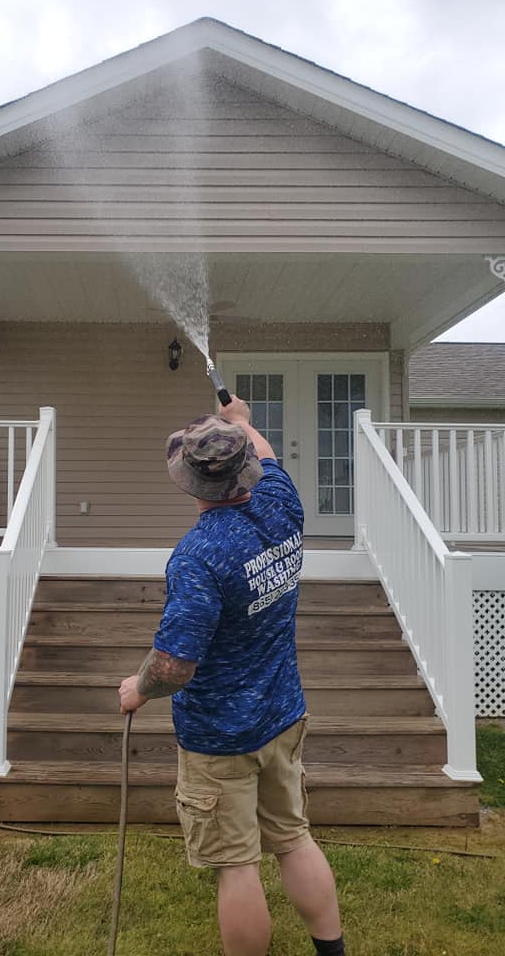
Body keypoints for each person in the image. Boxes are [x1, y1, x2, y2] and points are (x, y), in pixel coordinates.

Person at [118, 395, 345, 956]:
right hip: (283, 715)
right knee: (293, 838)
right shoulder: (281, 503)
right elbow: (267, 457)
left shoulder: (199, 555)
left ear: (190, 483)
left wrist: (137, 689)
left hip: (220, 740)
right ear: (246, 469)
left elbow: (174, 664)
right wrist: (242, 422)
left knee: (237, 865)